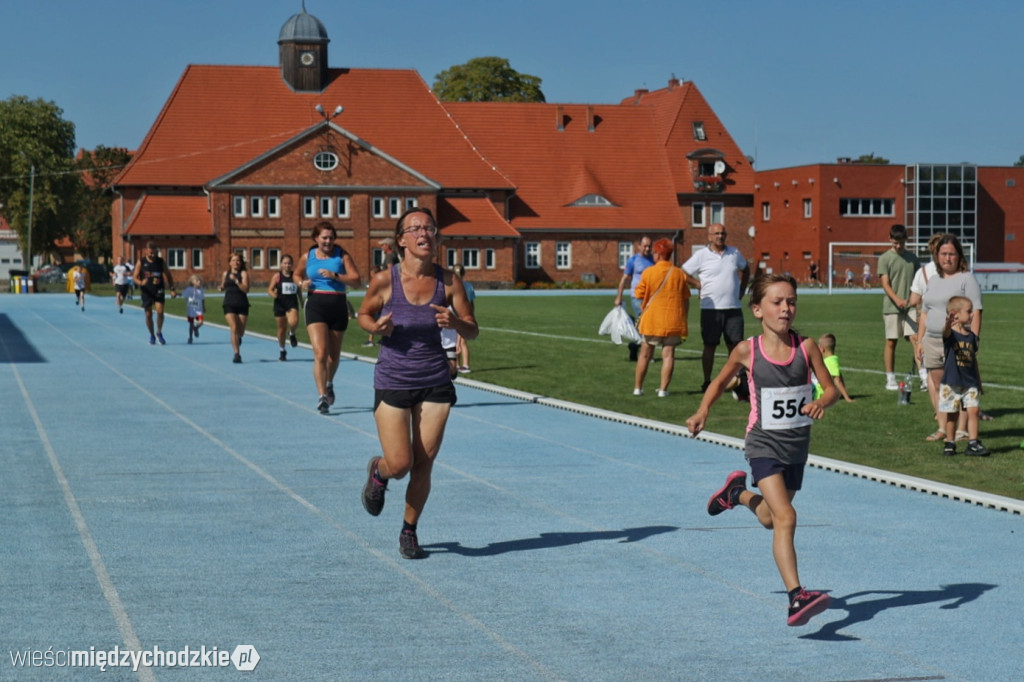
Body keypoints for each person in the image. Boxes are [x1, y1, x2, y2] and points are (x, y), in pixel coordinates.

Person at [686, 273, 838, 627]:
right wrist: (702, 411)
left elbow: (829, 389)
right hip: (763, 443)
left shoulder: (807, 346)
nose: (786, 309)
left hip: (796, 447)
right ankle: (796, 596)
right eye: (777, 302)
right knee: (786, 517)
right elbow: (720, 381)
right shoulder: (747, 350)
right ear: (757, 310)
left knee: (771, 517)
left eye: (791, 302)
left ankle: (736, 493)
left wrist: (821, 402)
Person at [357, 207, 478, 560]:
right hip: (394, 377)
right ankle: (378, 473)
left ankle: (409, 531)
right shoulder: (385, 280)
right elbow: (363, 314)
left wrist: (456, 322)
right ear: (402, 240)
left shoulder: (450, 281)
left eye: (429, 228)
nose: (424, 233)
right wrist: (375, 327)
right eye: (415, 229)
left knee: (424, 463)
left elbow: (473, 328)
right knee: (400, 464)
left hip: (435, 379)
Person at [914, 234, 983, 443]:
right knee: (938, 383)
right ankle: (943, 427)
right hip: (933, 340)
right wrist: (919, 339)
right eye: (943, 254)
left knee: (959, 384)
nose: (947, 258)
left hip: (957, 343)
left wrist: (974, 340)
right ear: (937, 256)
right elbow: (925, 312)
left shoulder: (966, 279)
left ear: (959, 256)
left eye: (951, 254)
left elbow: (977, 311)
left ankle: (961, 430)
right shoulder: (933, 280)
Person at [297, 221, 362, 414]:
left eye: (331, 238)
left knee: (333, 356)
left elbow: (357, 281)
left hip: (338, 305)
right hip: (316, 304)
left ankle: (329, 382)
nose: (328, 241)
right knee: (320, 353)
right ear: (316, 238)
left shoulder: (342, 255)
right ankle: (321, 396)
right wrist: (301, 283)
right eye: (324, 237)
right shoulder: (307, 256)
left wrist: (336, 276)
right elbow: (295, 275)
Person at [682, 223, 750, 395]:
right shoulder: (701, 255)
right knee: (709, 346)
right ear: (709, 236)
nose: (720, 236)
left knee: (735, 347)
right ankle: (706, 381)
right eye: (717, 233)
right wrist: (697, 284)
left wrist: (742, 289)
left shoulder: (734, 253)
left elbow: (746, 268)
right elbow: (683, 273)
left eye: (723, 233)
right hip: (710, 309)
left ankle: (738, 381)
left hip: (733, 308)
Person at [632, 238, 690, 397]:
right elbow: (686, 298)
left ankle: (638, 388)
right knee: (669, 355)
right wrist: (683, 319)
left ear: (657, 254)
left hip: (652, 321)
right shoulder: (679, 274)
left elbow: (638, 294)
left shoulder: (649, 272)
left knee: (645, 354)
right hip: (673, 320)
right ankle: (663, 390)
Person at [938, 296, 989, 457]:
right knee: (952, 414)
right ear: (956, 314)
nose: (972, 315)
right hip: (952, 382)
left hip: (970, 382)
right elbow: (945, 332)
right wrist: (947, 324)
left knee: (973, 411)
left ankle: (973, 443)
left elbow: (974, 362)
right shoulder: (950, 335)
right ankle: (950, 442)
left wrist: (978, 383)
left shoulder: (971, 337)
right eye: (969, 311)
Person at [878, 224, 921, 391]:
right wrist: (898, 300)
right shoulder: (884, 259)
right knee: (891, 342)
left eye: (901, 242)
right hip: (892, 307)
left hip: (911, 306)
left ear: (906, 241)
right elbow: (885, 284)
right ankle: (890, 379)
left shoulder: (913, 258)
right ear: (890, 240)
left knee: (916, 339)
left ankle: (924, 376)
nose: (898, 246)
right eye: (895, 242)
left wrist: (916, 302)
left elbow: (919, 282)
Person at [614, 236, 654, 362]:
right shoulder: (633, 260)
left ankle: (634, 345)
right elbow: (624, 279)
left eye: (649, 246)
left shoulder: (654, 260)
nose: (647, 249)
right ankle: (647, 355)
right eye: (645, 246)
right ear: (639, 246)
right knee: (646, 323)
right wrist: (619, 297)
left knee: (644, 324)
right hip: (637, 297)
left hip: (651, 298)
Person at [133, 242, 175, 345]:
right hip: (146, 291)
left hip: (158, 289)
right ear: (146, 251)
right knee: (148, 315)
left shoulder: (160, 262)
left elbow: (168, 275)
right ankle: (152, 335)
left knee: (160, 312)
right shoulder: (141, 262)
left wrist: (172, 289)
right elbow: (134, 277)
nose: (152, 255)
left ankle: (159, 332)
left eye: (154, 253)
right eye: (150, 253)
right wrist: (140, 282)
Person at [268, 254, 302, 361]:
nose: (287, 265)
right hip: (280, 304)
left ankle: (292, 334)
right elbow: (269, 289)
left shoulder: (295, 276)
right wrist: (274, 295)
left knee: (294, 322)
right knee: (281, 329)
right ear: (281, 264)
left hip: (292, 304)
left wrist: (301, 301)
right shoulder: (277, 276)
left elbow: (299, 290)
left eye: (289, 263)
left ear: (292, 265)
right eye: (285, 263)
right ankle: (282, 350)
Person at [219, 252, 250, 363]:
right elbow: (223, 285)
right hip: (229, 303)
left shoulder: (243, 274)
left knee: (240, 331)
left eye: (238, 260)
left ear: (241, 263)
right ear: (229, 263)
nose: (236, 262)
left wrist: (237, 281)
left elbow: (246, 289)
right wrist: (221, 287)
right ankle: (237, 354)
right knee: (234, 328)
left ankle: (238, 338)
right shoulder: (225, 274)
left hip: (242, 304)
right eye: (233, 260)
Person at [813, 333, 853, 402]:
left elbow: (838, 379)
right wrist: (847, 398)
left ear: (822, 349)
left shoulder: (829, 361)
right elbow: (838, 380)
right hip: (817, 392)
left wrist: (846, 397)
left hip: (813, 390)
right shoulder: (831, 361)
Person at [453, 264, 476, 373]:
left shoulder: (453, 286)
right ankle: (466, 365)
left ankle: (456, 365)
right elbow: (471, 303)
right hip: (466, 316)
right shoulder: (469, 286)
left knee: (455, 342)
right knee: (463, 342)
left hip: (456, 316)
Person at [183, 275, 205, 344]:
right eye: (197, 281)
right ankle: (190, 337)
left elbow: (202, 299)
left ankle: (196, 328)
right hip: (191, 309)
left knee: (201, 322)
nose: (199, 282)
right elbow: (184, 296)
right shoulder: (189, 290)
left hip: (198, 309)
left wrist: (203, 307)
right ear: (193, 282)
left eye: (199, 281)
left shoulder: (201, 290)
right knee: (191, 324)